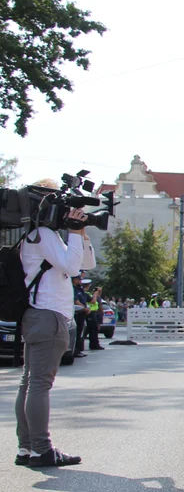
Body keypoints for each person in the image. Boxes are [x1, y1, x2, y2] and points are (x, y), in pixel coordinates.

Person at [14, 196, 96, 468]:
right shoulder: (44, 235)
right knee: (38, 384)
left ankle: (27, 447)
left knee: (29, 382)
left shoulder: (39, 236)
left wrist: (79, 233)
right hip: (48, 316)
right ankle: (41, 450)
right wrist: (72, 232)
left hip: (42, 315)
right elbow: (72, 268)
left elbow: (87, 264)